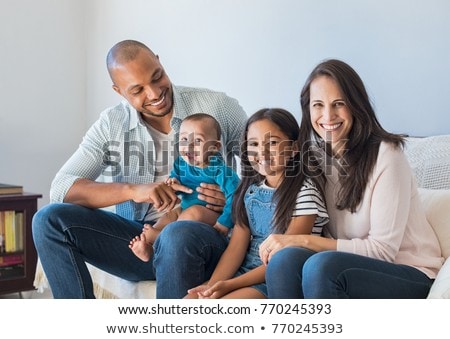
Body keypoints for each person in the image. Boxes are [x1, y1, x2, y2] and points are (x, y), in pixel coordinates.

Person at [31, 39, 248, 298]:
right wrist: (134, 190)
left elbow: (264, 172)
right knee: (48, 220)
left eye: (157, 77)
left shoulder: (216, 107)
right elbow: (62, 187)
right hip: (141, 240)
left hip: (204, 238)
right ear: (119, 91)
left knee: (177, 233)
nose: (155, 94)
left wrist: (233, 203)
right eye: (138, 90)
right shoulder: (112, 125)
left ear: (159, 60)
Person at [260, 59, 444, 298]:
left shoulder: (386, 154)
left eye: (339, 104)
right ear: (308, 110)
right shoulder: (313, 158)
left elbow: (383, 252)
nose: (328, 115)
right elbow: (264, 176)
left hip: (409, 273)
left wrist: (304, 240)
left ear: (356, 105)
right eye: (318, 105)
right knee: (286, 259)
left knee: (320, 265)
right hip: (344, 267)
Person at [186, 108, 329, 299]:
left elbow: (282, 258)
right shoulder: (250, 190)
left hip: (274, 279)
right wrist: (211, 286)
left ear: (294, 148)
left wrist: (229, 285)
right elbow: (236, 247)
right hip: (244, 272)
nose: (262, 151)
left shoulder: (304, 193)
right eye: (254, 143)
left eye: (272, 143)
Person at [129, 113, 240, 262]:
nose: (189, 146)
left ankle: (161, 237)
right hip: (184, 210)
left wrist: (224, 223)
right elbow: (175, 180)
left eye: (198, 141)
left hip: (210, 215)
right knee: (170, 215)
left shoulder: (220, 170)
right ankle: (151, 246)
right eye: (184, 139)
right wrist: (172, 184)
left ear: (214, 147)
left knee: (193, 213)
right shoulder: (181, 163)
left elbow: (237, 196)